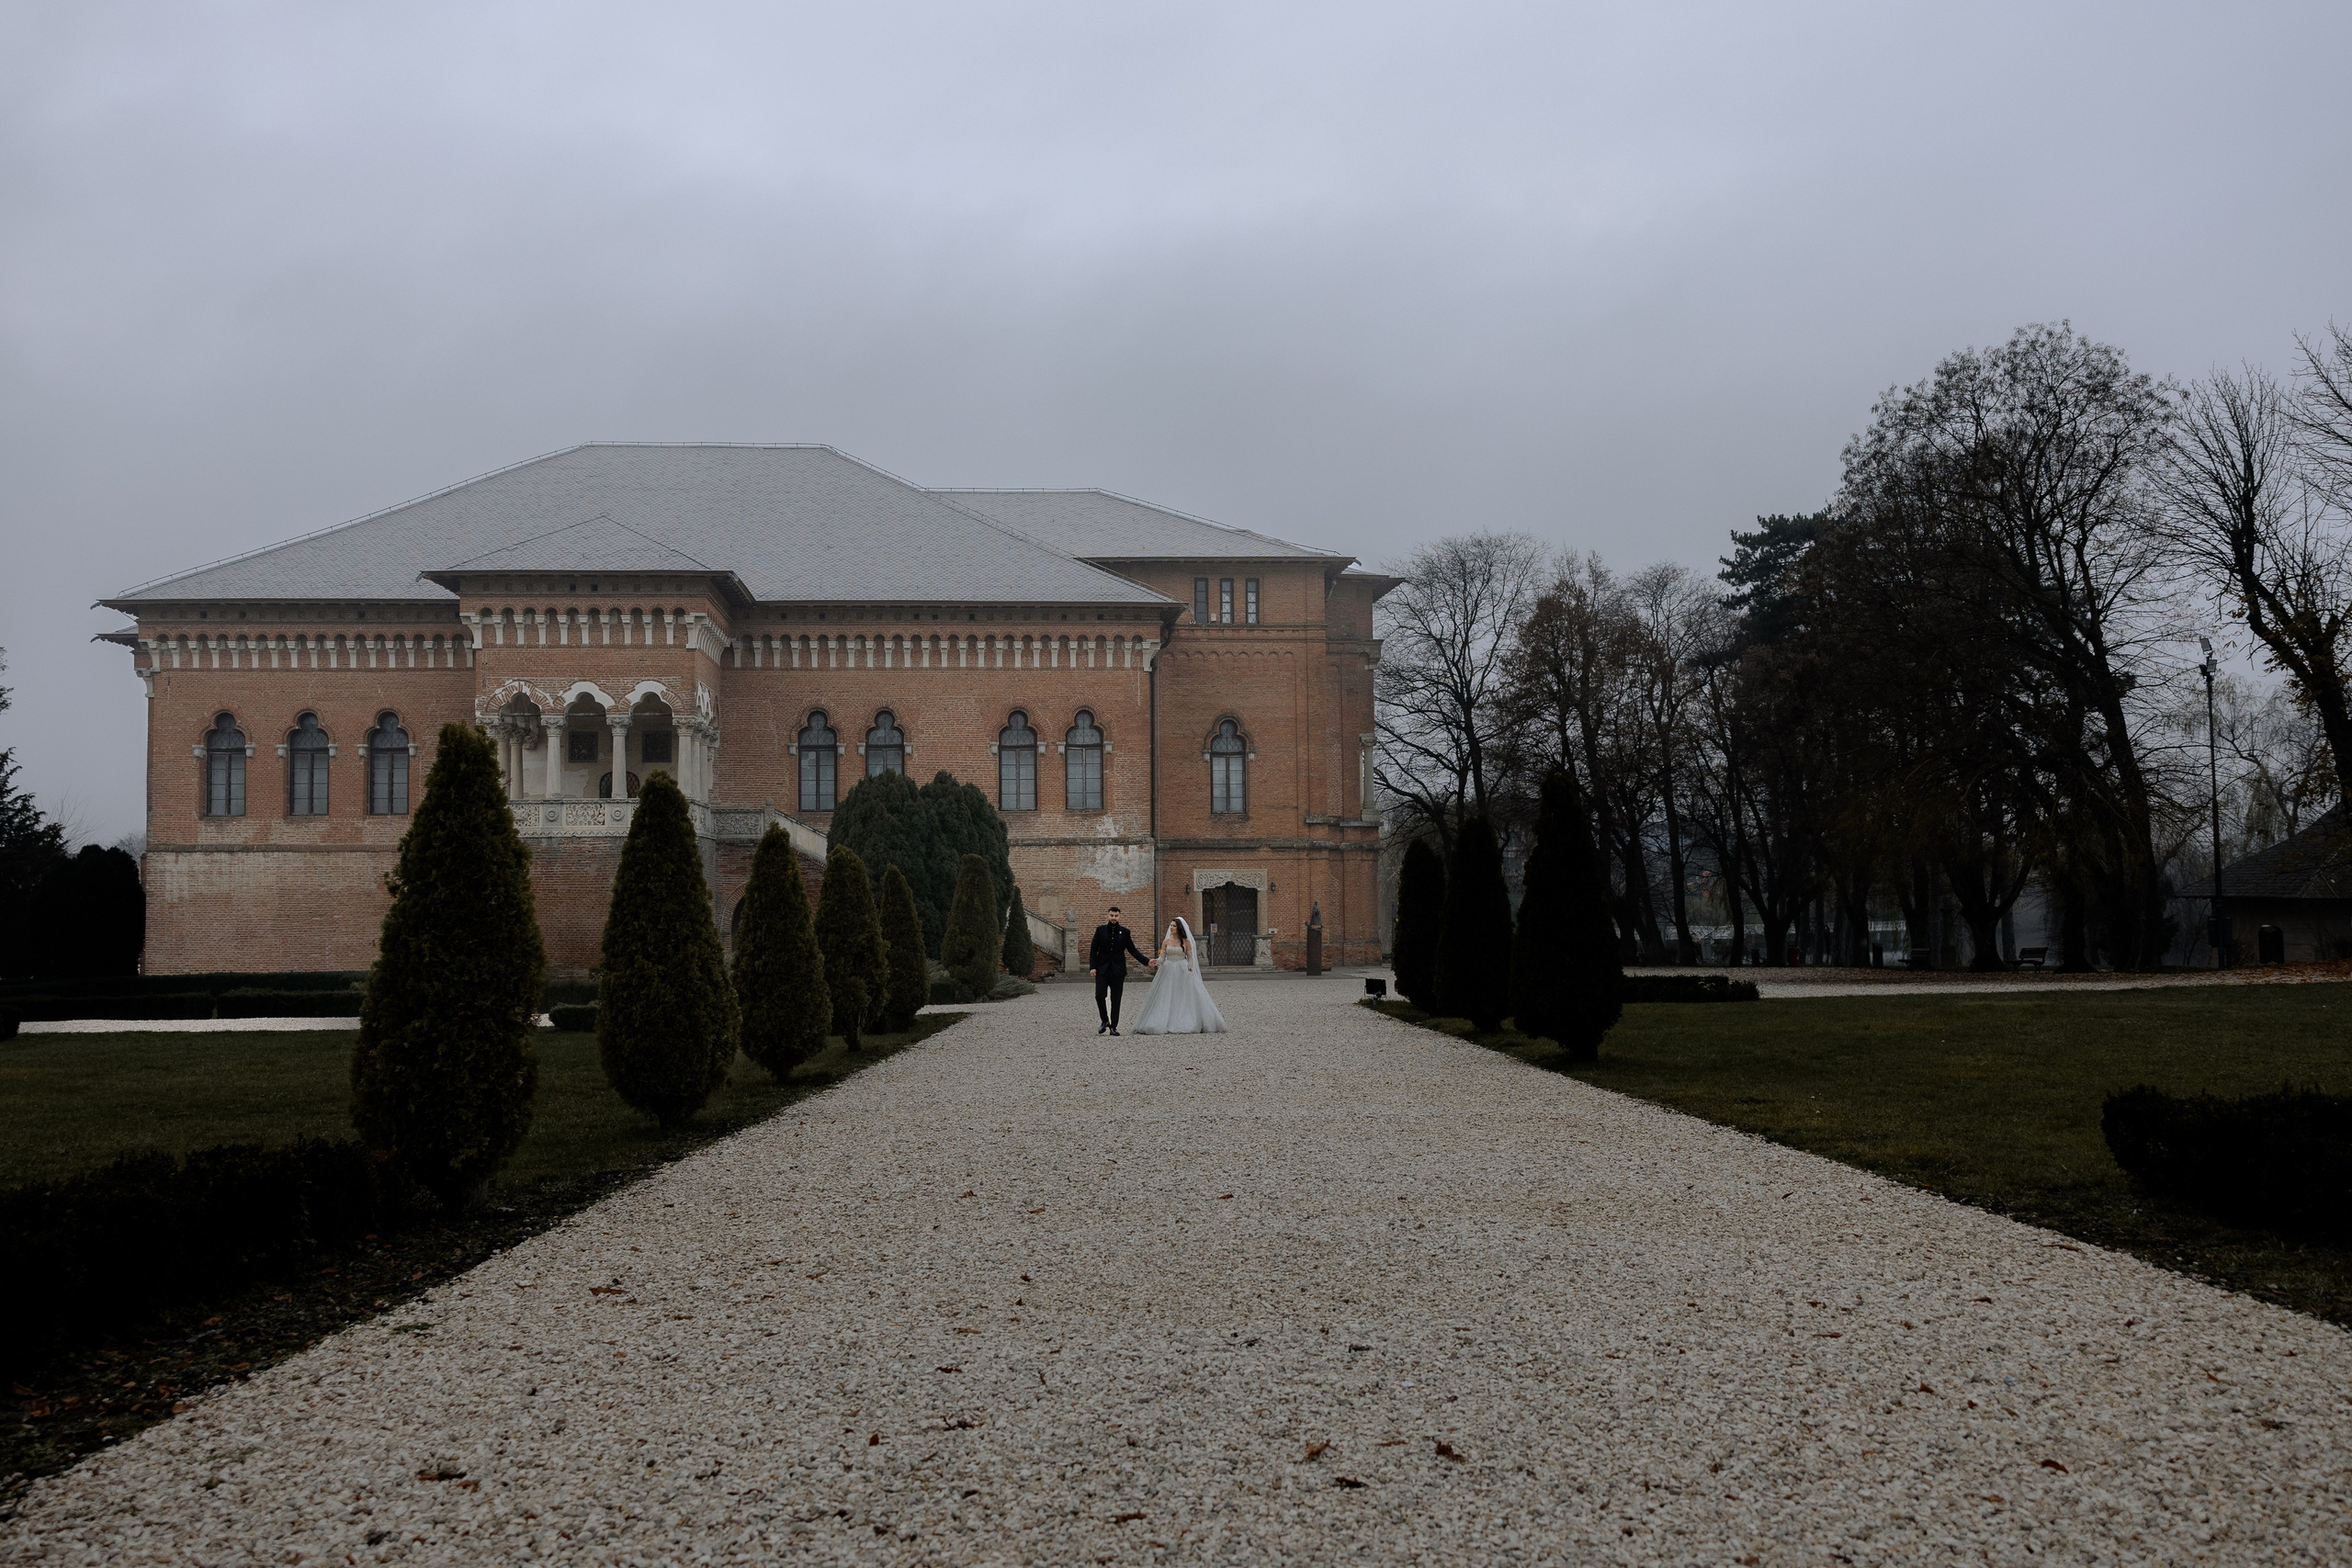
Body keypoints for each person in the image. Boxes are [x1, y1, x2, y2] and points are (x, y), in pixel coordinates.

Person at [1128, 917, 1229, 1035]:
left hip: (1182, 968)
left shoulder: (1186, 942)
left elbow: (1190, 958)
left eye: (1174, 926)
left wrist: (1190, 968)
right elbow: (1162, 957)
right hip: (1169, 969)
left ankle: (1187, 1018)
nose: (1171, 928)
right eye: (1171, 925)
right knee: (1167, 994)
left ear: (1179, 928)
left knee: (1184, 994)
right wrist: (1155, 961)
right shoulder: (1166, 941)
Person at [1087, 905, 1154, 1035]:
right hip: (1102, 969)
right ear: (1108, 915)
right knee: (1099, 995)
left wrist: (1146, 961)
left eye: (1116, 916)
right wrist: (1093, 967)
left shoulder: (1125, 932)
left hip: (1118, 971)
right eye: (1111, 915)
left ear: (1119, 916)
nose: (1113, 918)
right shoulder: (1100, 930)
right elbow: (1094, 949)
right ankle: (1105, 1020)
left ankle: (1114, 1027)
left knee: (1116, 999)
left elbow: (1132, 950)